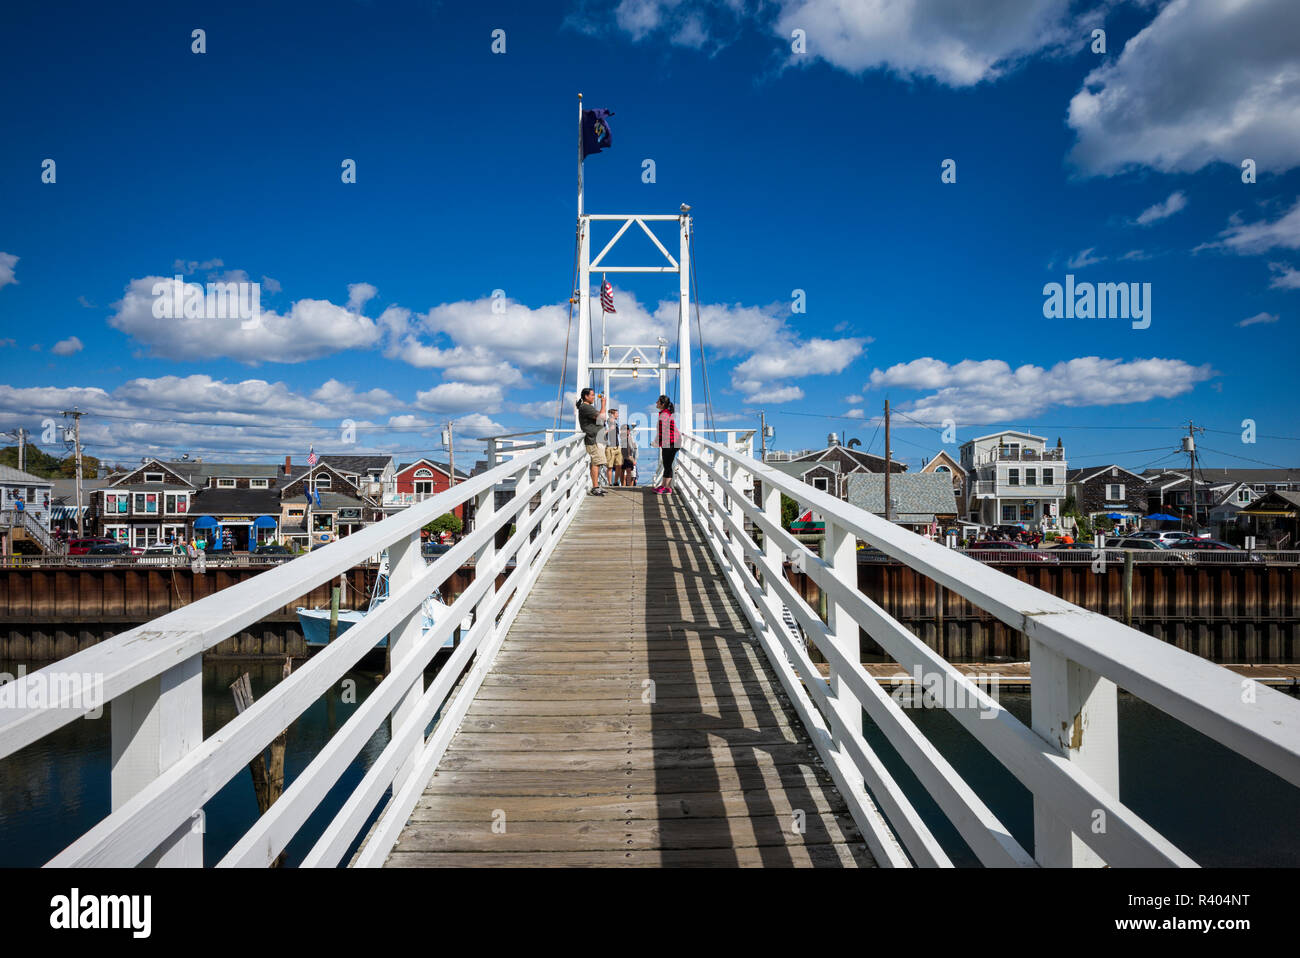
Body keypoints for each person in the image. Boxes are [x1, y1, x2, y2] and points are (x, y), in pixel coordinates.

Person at [576, 387, 607, 496]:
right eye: (592, 395)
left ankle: (596, 485)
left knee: (598, 463)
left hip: (596, 438)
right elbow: (602, 417)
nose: (594, 397)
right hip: (593, 439)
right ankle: (595, 487)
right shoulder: (585, 407)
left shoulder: (587, 407)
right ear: (586, 396)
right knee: (596, 463)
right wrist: (603, 404)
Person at [654, 394, 679, 494]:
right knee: (666, 464)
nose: (656, 403)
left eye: (658, 401)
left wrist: (657, 441)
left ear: (662, 403)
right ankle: (665, 486)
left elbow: (664, 429)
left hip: (671, 442)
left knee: (667, 464)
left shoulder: (664, 414)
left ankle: (667, 487)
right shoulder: (665, 413)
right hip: (672, 441)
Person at [603, 408, 623, 486]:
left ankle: (615, 482)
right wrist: (609, 430)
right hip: (610, 446)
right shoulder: (607, 422)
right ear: (612, 415)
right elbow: (604, 431)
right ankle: (610, 483)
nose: (617, 415)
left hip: (618, 446)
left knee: (619, 465)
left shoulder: (616, 423)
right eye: (616, 414)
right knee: (610, 466)